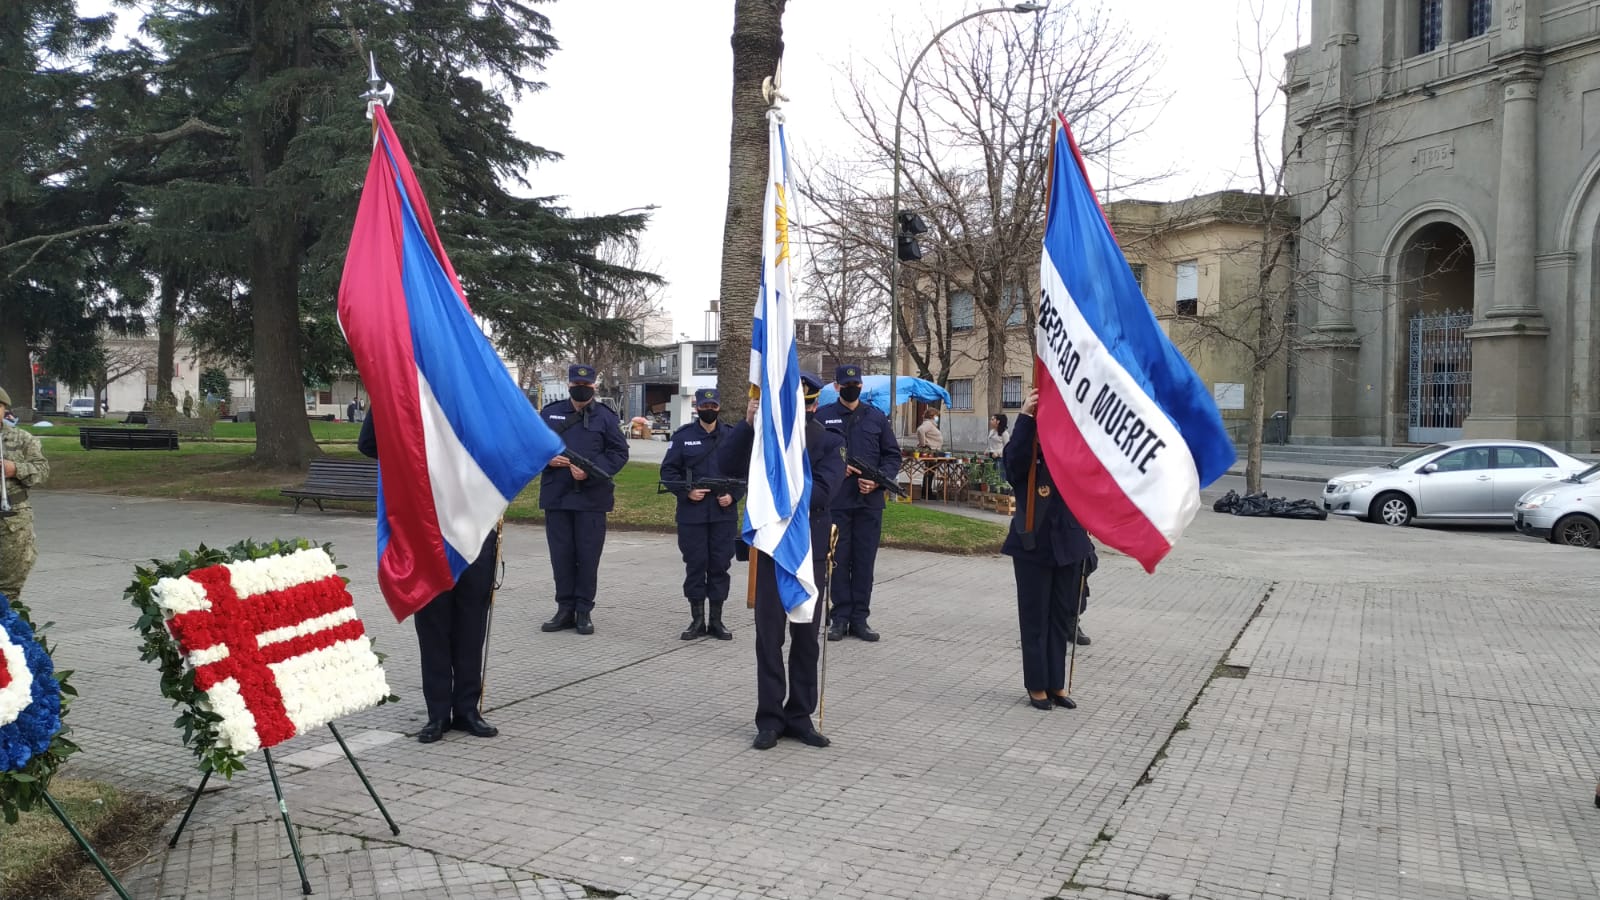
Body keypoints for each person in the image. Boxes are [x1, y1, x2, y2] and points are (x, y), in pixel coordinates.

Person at [719, 372, 847, 750]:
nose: (800, 411)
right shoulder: (762, 439)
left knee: (806, 637)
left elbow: (823, 492)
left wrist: (779, 478)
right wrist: (748, 425)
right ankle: (770, 718)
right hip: (771, 551)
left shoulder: (829, 441)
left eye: (804, 405)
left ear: (813, 405)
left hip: (809, 552)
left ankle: (800, 716)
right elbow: (726, 465)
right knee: (769, 638)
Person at [359, 412, 500, 743]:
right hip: (426, 532)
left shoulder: (468, 395)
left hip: (473, 531)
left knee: (471, 625)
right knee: (434, 626)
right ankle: (438, 714)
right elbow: (368, 444)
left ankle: (467, 709)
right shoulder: (407, 393)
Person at [1002, 388, 1096, 711]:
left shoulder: (1075, 445)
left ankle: (1057, 682)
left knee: (1062, 617)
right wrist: (1026, 419)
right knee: (1035, 618)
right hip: (1034, 541)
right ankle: (1037, 684)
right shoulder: (1029, 445)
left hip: (1069, 543)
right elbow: (1012, 467)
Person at [539, 364, 629, 635]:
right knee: (561, 557)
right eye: (576, 385)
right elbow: (531, 447)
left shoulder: (606, 417)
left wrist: (589, 471)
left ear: (593, 388)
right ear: (568, 385)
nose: (581, 389)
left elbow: (619, 453)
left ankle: (583, 611)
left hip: (592, 499)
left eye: (587, 386)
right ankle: (564, 608)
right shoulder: (550, 414)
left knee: (588, 558)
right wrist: (547, 460)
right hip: (558, 497)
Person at [815, 364, 900, 642]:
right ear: (837, 387)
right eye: (845, 385)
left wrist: (879, 480)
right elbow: (813, 455)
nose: (851, 388)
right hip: (837, 501)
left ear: (861, 386)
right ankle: (839, 618)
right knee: (838, 561)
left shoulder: (876, 417)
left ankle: (860, 619)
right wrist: (838, 468)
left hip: (869, 502)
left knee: (864, 562)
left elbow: (892, 456)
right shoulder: (823, 417)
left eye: (856, 384)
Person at [660, 388, 743, 641]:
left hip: (723, 514)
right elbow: (668, 472)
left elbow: (745, 471)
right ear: (697, 407)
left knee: (720, 565)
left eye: (713, 406)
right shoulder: (684, 437)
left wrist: (734, 496)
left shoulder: (731, 435)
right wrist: (687, 492)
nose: (709, 410)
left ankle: (716, 620)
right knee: (696, 565)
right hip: (692, 514)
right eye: (705, 406)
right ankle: (697, 620)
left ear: (719, 407)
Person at [0, 387, 49, 606]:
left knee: (8, 592)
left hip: (12, 524)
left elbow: (42, 471)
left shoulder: (22, 439)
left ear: (4, 410)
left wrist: (14, 469)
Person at [915, 408, 943, 500]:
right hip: (931, 451)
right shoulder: (928, 424)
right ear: (932, 416)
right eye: (936, 416)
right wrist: (923, 443)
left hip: (934, 450)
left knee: (930, 471)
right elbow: (920, 430)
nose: (937, 417)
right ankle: (927, 492)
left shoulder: (931, 424)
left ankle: (926, 491)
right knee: (930, 472)